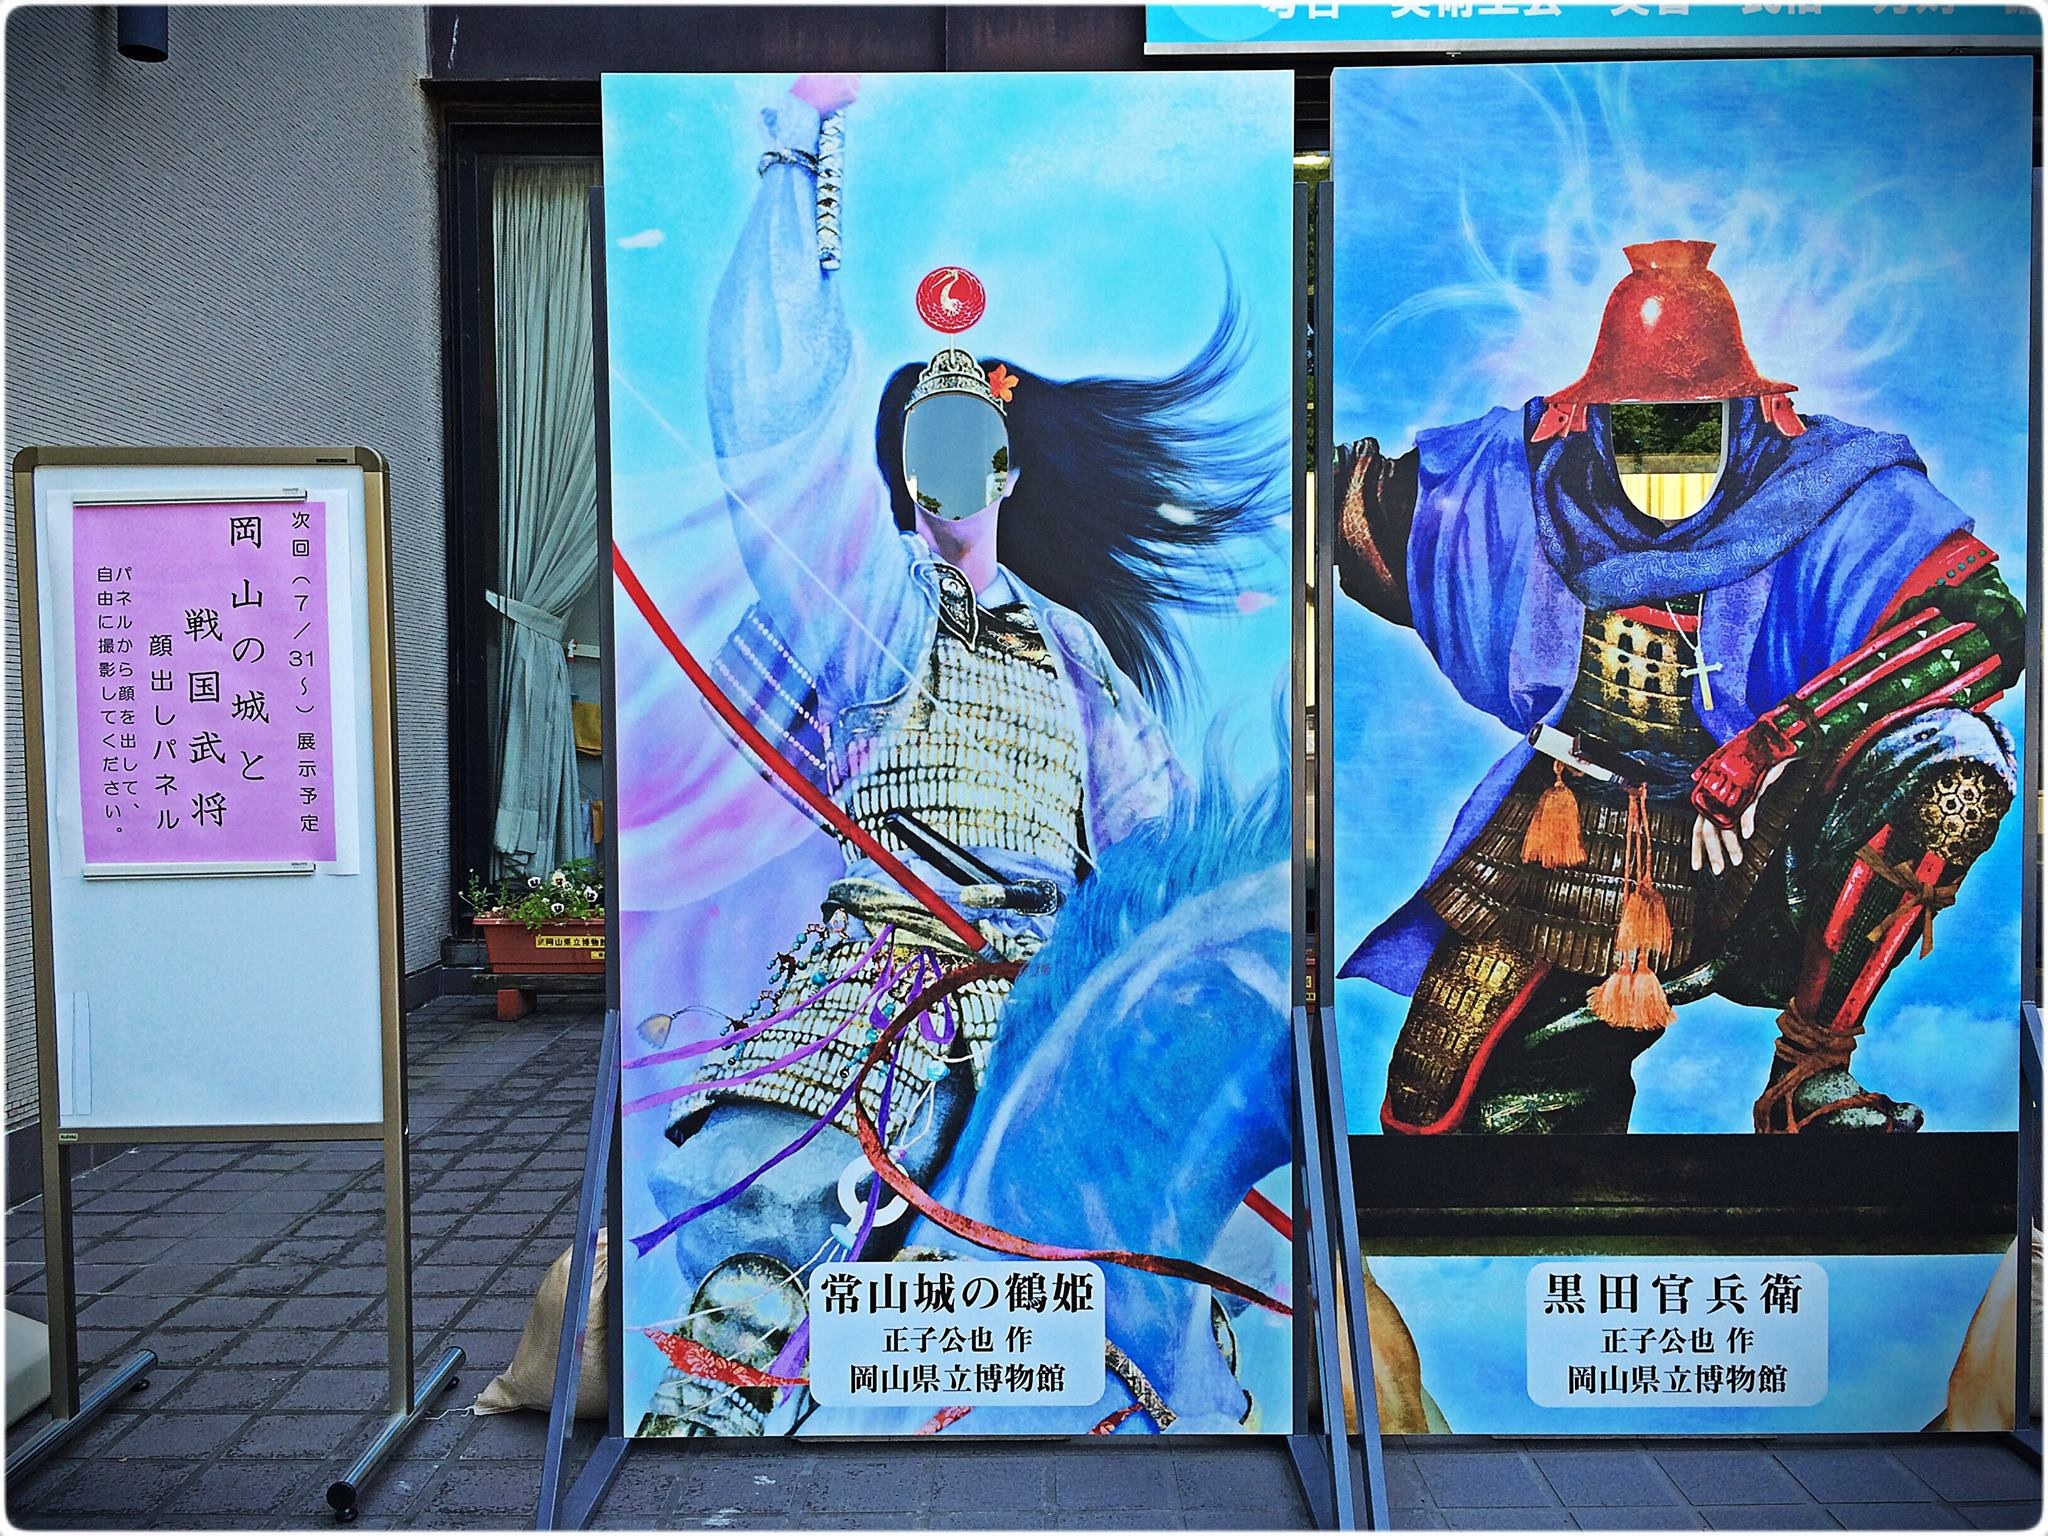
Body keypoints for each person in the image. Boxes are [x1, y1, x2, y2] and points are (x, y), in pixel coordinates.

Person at [633, 73, 1279, 1434]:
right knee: (785, 1192)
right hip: (892, 969)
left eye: (969, 436)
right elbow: (774, 430)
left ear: (1007, 467)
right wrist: (795, 165)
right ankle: (730, 1377)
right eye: (921, 438)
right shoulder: (871, 602)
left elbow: (1153, 840)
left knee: (1204, 1208)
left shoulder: (1073, 650)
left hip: (1049, 977)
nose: (945, 455)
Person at [1336, 239, 2025, 1137]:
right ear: (1594, 415)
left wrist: (1775, 739)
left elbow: (1989, 626)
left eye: (1691, 423)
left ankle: (1809, 1074)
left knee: (1956, 771)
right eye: (1641, 423)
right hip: (1571, 829)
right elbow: (1350, 507)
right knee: (1439, 1101)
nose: (1665, 455)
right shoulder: (1522, 484)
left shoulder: (1821, 486)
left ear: (1744, 413)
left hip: (1763, 832)